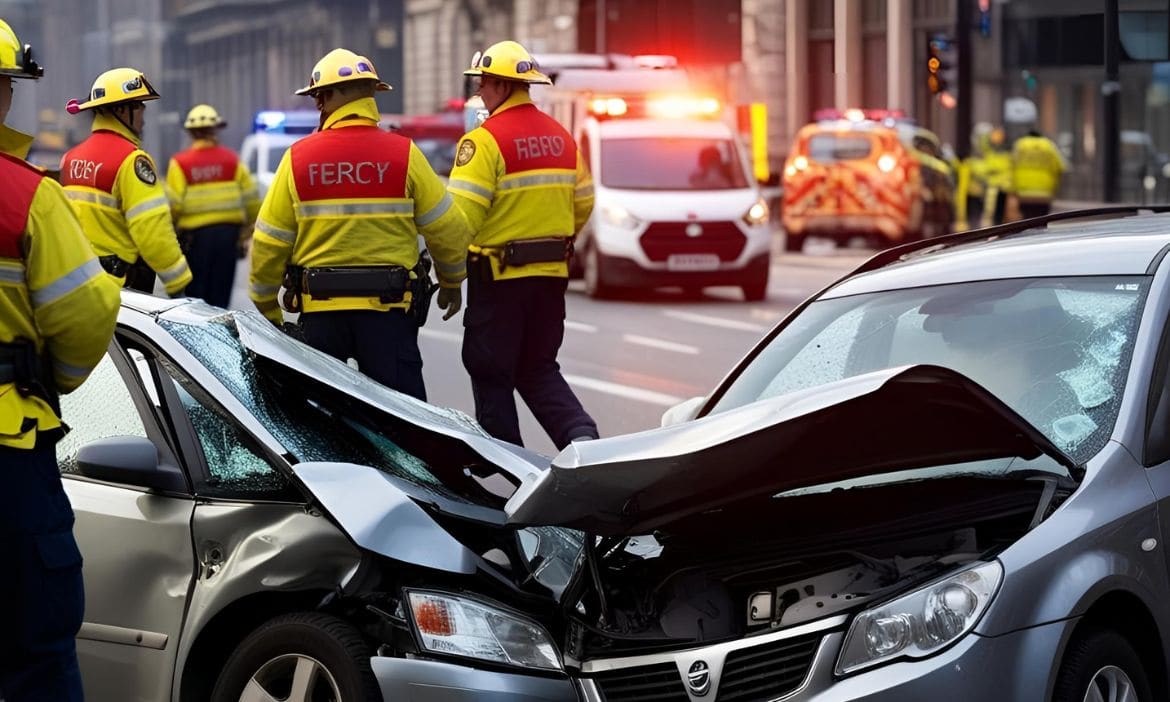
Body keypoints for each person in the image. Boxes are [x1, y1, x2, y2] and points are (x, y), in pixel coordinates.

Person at [0, 19, 121, 702]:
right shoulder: (26, 196)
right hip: (7, 451)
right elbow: (85, 316)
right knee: (36, 654)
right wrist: (47, 383)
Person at [249, 48, 469, 400]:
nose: (318, 107)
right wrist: (452, 281)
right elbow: (448, 228)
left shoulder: (298, 159)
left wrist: (268, 309)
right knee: (404, 429)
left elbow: (269, 242)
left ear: (326, 98)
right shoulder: (405, 154)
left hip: (320, 319)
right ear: (370, 95)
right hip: (389, 317)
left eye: (319, 98)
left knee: (320, 428)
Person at [448, 40, 599, 449]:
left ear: (499, 85)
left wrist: (447, 274)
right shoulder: (561, 138)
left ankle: (508, 465)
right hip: (551, 275)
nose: (478, 91)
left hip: (498, 278)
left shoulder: (483, 141)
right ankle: (581, 438)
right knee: (537, 366)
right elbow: (583, 203)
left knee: (489, 367)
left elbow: (462, 220)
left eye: (482, 83)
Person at [60, 67, 191, 297]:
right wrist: (178, 282)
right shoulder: (131, 161)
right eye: (139, 105)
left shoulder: (70, 159)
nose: (143, 113)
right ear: (121, 110)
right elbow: (152, 231)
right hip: (120, 287)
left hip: (77, 281)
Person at [166, 104, 260, 307]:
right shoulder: (232, 160)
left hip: (194, 241)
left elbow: (173, 206)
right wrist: (246, 232)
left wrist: (172, 235)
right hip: (228, 238)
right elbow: (252, 200)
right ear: (216, 129)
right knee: (220, 297)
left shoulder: (180, 163)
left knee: (196, 300)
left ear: (190, 133)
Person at [1012, 128, 1066, 219]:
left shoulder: (1020, 145)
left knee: (1026, 221)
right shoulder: (1048, 145)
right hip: (1044, 193)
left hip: (1023, 192)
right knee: (1041, 222)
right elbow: (1060, 167)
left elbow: (1010, 164)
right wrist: (1055, 187)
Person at [980, 127, 1013, 227]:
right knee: (991, 213)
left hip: (1002, 187)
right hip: (993, 187)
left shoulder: (1006, 154)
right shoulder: (990, 152)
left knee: (999, 214)